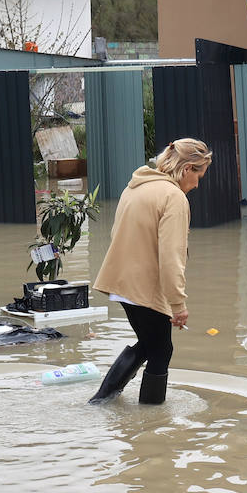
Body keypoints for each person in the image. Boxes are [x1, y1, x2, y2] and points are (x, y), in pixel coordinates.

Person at [87, 138, 212, 406]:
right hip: (143, 287)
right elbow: (171, 256)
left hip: (120, 282)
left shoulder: (135, 187)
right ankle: (151, 417)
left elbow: (115, 234)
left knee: (149, 344)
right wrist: (178, 304)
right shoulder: (174, 197)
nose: (198, 183)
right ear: (188, 168)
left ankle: (102, 401)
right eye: (199, 175)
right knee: (161, 350)